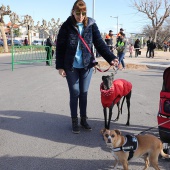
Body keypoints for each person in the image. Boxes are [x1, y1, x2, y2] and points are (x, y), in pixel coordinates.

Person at [55, 0, 118, 134]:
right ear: (73, 11)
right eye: (78, 12)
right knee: (74, 93)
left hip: (87, 66)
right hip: (71, 66)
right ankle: (74, 121)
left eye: (83, 13)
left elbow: (100, 44)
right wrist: (60, 67)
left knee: (83, 93)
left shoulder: (91, 25)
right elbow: (60, 47)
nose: (81, 16)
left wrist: (111, 58)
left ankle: (83, 119)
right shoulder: (66, 26)